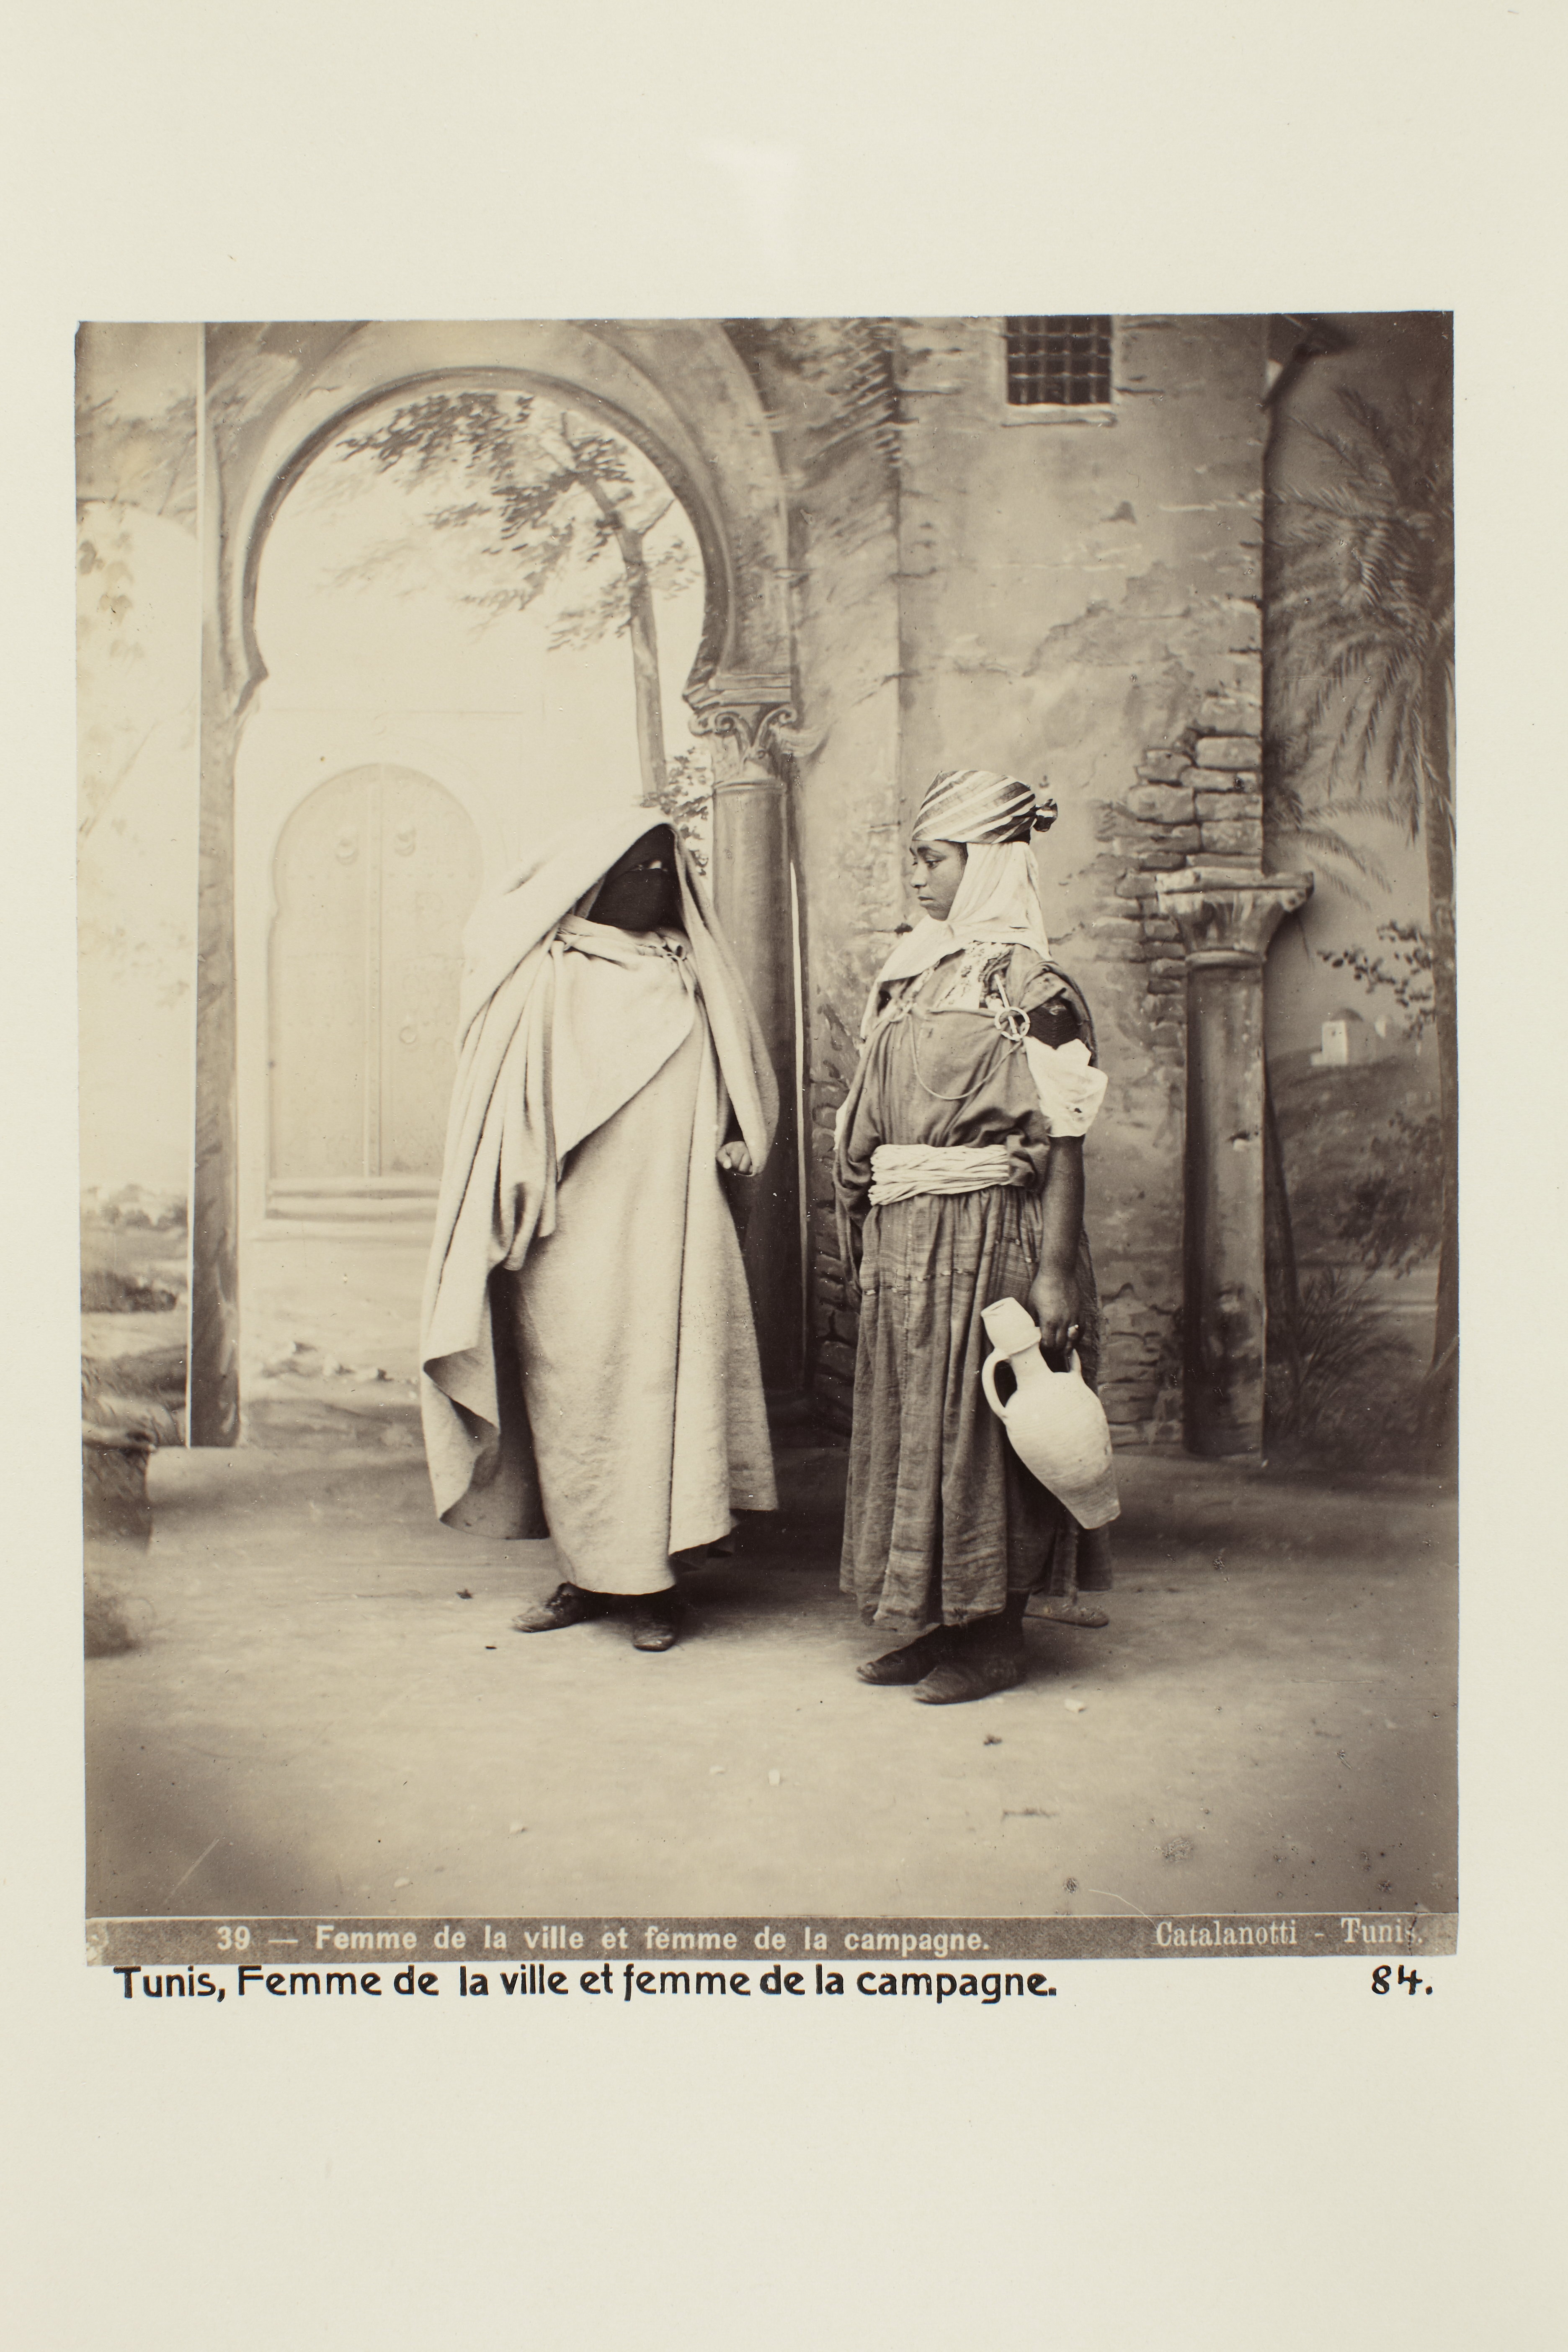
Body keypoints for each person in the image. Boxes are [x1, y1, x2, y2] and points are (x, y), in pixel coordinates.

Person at [420, 807, 778, 1651]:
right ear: (596, 879)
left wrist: (739, 1133)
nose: (651, 884)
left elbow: (738, 1077)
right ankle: (587, 1576)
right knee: (578, 1401)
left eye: (663, 870)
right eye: (635, 869)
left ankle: (656, 1590)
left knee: (665, 1399)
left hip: (676, 1228)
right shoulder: (547, 976)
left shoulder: (695, 973)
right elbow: (505, 1111)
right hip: (571, 1233)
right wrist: (519, 1196)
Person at [834, 766, 1113, 1704]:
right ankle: (937, 1620)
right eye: (916, 859)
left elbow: (1065, 1140)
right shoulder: (915, 973)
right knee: (920, 1427)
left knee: (981, 1437)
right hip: (911, 1242)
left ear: (989, 863)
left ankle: (994, 1640)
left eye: (937, 859)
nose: (918, 876)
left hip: (994, 1237)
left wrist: (1056, 1274)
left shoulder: (1036, 989)